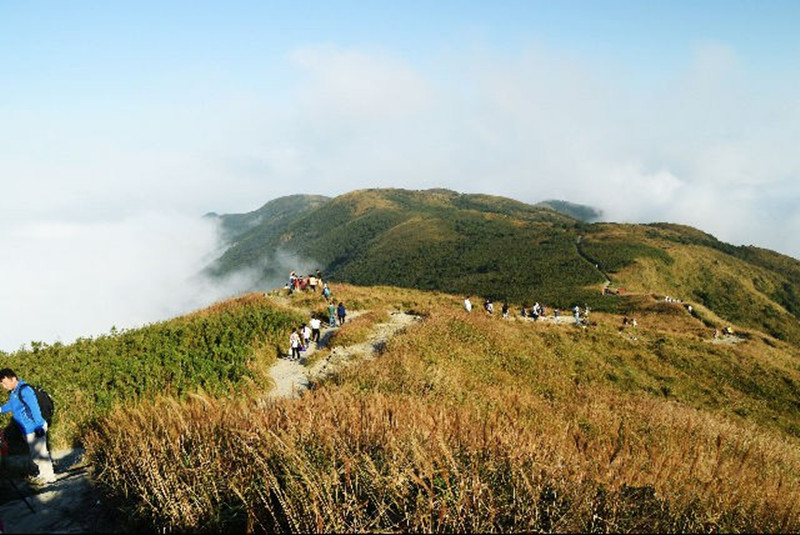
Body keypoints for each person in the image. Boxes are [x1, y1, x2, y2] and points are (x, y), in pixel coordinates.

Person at [0, 368, 56, 485]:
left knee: (40, 454)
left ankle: (49, 477)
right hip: (26, 429)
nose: (4, 386)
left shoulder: (25, 390)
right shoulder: (14, 392)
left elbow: (34, 408)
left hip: (35, 427)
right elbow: (12, 405)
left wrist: (39, 426)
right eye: (2, 384)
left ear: (13, 378)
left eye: (5, 383)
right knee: (36, 454)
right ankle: (43, 474)